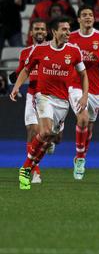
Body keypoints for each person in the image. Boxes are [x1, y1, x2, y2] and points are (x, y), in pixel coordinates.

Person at [10, 17, 89, 190]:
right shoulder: (40, 50)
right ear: (54, 32)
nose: (68, 33)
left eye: (69, 29)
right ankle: (26, 169)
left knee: (50, 138)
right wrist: (16, 87)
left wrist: (84, 96)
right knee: (44, 131)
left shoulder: (74, 51)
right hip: (43, 97)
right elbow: (26, 69)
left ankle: (27, 166)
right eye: (64, 30)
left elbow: (83, 75)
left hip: (62, 100)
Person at [67, 7, 99, 180]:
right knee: (83, 118)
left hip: (95, 88)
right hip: (75, 85)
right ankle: (80, 159)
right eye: (84, 15)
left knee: (89, 128)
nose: (88, 17)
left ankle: (81, 156)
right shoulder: (71, 37)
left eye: (90, 15)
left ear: (94, 19)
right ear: (78, 19)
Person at [10, 19, 47, 183]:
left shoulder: (51, 49)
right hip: (32, 94)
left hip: (49, 95)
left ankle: (51, 139)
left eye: (42, 29)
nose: (39, 31)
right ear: (31, 33)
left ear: (47, 32)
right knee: (32, 131)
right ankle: (35, 172)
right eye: (36, 29)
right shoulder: (25, 53)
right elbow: (22, 70)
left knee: (46, 134)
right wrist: (14, 79)